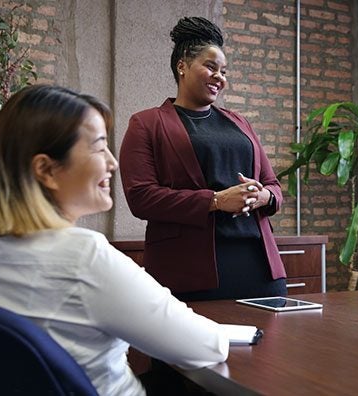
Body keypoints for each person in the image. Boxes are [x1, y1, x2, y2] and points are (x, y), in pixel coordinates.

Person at [0, 84, 229, 396]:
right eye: (99, 147)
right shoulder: (82, 257)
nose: (113, 163)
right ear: (46, 169)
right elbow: (206, 347)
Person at [119, 16, 287, 301]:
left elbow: (272, 184)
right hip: (188, 271)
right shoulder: (147, 124)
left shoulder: (240, 123)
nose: (220, 77)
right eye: (211, 66)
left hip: (259, 266)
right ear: (182, 65)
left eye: (224, 71)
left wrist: (264, 197)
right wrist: (216, 201)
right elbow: (141, 197)